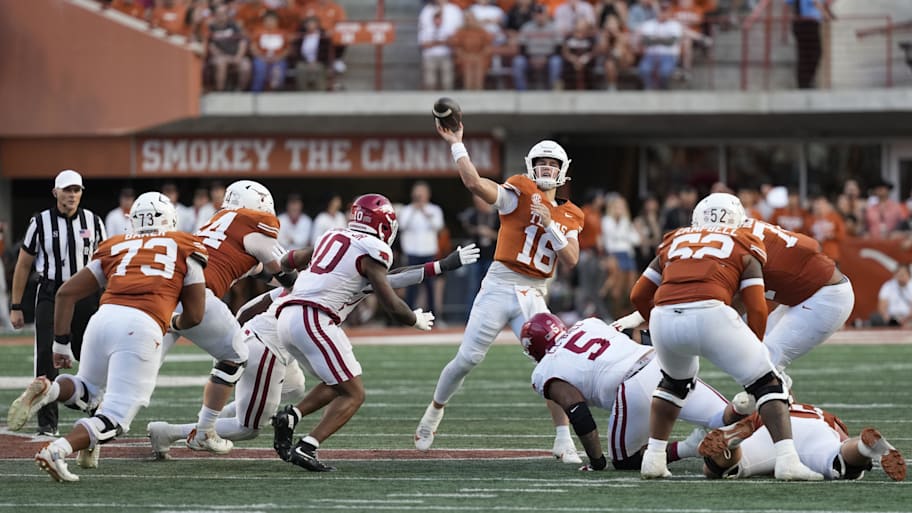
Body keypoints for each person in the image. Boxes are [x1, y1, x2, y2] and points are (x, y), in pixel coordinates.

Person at [147, 243, 479, 459]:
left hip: (274, 337)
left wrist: (237, 331)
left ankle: (250, 412)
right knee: (251, 426)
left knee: (295, 387)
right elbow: (392, 282)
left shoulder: (314, 274)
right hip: (268, 344)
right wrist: (443, 266)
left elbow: (261, 298)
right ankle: (174, 432)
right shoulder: (345, 274)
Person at [416, 118, 586, 464]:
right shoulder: (519, 190)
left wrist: (549, 224)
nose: (547, 169)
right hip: (500, 282)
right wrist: (457, 144)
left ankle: (563, 440)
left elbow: (570, 259)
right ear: (530, 167)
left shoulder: (570, 214)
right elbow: (475, 184)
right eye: (541, 163)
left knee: (553, 363)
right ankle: (434, 411)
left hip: (534, 291)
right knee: (468, 358)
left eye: (553, 164)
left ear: (563, 171)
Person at [6, 192, 207, 482]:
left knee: (87, 390)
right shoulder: (186, 246)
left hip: (102, 319)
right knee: (115, 418)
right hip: (141, 324)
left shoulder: (116, 245)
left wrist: (61, 344)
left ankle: (49, 390)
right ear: (170, 219)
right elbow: (196, 315)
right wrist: (174, 322)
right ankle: (58, 450)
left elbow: (66, 293)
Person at [629, 192, 822, 480]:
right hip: (711, 312)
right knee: (768, 382)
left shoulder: (675, 239)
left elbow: (638, 295)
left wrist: (661, 323)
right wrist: (756, 350)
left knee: (673, 382)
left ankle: (654, 459)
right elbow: (757, 307)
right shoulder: (745, 241)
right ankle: (787, 461)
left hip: (663, 316)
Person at [270, 194, 437, 472]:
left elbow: (290, 260)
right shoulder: (373, 249)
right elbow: (391, 303)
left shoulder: (332, 235)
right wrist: (415, 320)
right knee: (354, 394)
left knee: (339, 382)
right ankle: (308, 446)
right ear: (384, 225)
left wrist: (291, 275)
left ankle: (292, 416)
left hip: (287, 316)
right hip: (314, 318)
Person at [156, 179, 293, 454]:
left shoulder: (218, 223)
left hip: (167, 291)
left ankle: (98, 419)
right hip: (197, 294)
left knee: (142, 368)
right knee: (235, 354)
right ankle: (205, 429)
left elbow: (258, 270)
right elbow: (283, 270)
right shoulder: (254, 224)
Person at [521, 313, 753, 471]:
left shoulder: (545, 369)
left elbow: (577, 411)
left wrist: (597, 462)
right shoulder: (587, 324)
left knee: (625, 461)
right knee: (724, 417)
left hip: (633, 383)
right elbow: (633, 335)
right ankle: (742, 410)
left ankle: (688, 447)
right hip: (661, 361)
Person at [8, 170, 107, 437]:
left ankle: (97, 413)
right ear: (55, 193)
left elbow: (107, 262)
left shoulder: (94, 221)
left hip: (86, 296)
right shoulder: (39, 222)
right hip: (51, 293)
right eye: (67, 190)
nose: (72, 195)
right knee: (46, 356)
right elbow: (23, 264)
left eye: (76, 190)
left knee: (90, 352)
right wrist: (16, 306)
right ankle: (47, 423)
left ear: (81, 193)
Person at [742, 217, 853, 374]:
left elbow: (743, 303)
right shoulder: (748, 233)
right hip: (805, 295)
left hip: (825, 296)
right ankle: (781, 397)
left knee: (764, 362)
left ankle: (773, 397)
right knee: (758, 353)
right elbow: (812, 244)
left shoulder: (743, 246)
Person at [700, 403, 906, 482]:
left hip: (771, 433)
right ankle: (863, 447)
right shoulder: (819, 413)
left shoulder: (766, 410)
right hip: (813, 430)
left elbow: (751, 425)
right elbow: (840, 436)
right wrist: (858, 458)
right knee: (840, 462)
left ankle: (732, 447)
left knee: (720, 470)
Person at [398, 181, 445, 315]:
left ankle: (432, 315)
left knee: (430, 285)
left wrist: (424, 212)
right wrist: (414, 210)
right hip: (412, 252)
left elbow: (438, 226)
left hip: (428, 252)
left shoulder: (434, 209)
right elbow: (402, 226)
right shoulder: (407, 210)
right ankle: (408, 315)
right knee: (411, 285)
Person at [458, 194, 499, 319]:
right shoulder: (473, 215)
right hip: (476, 256)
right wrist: (476, 230)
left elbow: (504, 237)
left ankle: (491, 317)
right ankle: (471, 317)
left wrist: (490, 233)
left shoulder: (498, 216)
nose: (478, 205)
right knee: (473, 287)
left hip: (492, 256)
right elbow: (466, 229)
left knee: (491, 289)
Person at [785, 0, 833, 89]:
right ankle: (805, 83)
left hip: (800, 22)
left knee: (804, 54)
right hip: (808, 22)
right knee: (814, 53)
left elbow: (789, 3)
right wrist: (825, 14)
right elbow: (816, 2)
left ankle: (804, 83)